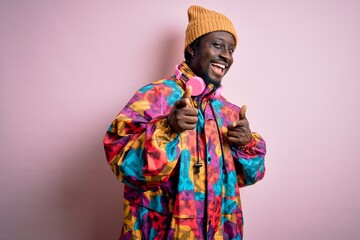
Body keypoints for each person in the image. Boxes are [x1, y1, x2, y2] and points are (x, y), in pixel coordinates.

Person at [103, 5, 266, 240]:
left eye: (231, 49)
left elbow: (251, 175)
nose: (227, 56)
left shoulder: (229, 112)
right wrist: (168, 128)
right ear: (191, 49)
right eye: (218, 45)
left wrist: (246, 144)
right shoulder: (155, 96)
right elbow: (122, 163)